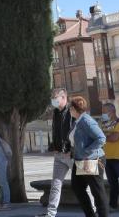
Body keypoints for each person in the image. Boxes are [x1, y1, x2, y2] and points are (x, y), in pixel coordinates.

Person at [69, 97, 108, 217]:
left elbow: (101, 138)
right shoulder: (77, 121)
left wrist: (86, 151)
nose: (69, 111)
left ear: (74, 109)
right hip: (81, 160)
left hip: (91, 159)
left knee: (97, 191)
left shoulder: (86, 120)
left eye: (70, 108)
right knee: (77, 187)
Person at [37, 89, 73, 217]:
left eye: (55, 98)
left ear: (64, 97)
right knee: (56, 185)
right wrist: (54, 146)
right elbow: (56, 132)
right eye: (52, 98)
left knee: (84, 184)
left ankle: (93, 209)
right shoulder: (56, 112)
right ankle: (51, 213)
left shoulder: (72, 111)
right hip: (59, 154)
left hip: (73, 155)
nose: (53, 101)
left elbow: (76, 133)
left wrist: (71, 150)